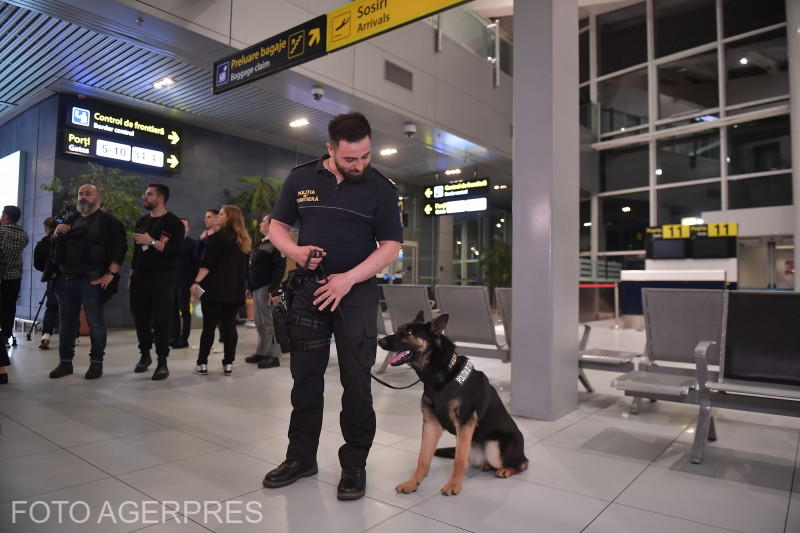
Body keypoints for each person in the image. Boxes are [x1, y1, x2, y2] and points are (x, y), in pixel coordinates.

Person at [262, 112, 402, 501]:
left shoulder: (381, 188)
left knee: (357, 383)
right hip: (309, 291)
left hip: (356, 295)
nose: (359, 165)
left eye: (366, 156)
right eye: (350, 159)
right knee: (305, 379)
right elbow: (276, 226)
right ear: (330, 149)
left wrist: (348, 279)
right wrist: (295, 252)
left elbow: (390, 246)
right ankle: (300, 458)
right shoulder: (301, 178)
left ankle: (354, 464)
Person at [48, 184, 127, 380]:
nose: (83, 197)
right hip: (66, 278)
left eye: (88, 193)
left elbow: (120, 249)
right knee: (66, 323)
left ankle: (96, 364)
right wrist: (56, 233)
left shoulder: (110, 222)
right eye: (80, 194)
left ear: (98, 198)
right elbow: (55, 246)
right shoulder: (69, 219)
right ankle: (65, 363)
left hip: (92, 279)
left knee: (95, 322)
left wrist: (110, 273)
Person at [130, 184, 185, 380]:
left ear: (160, 198)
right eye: (145, 194)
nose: (145, 197)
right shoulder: (142, 221)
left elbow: (175, 252)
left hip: (162, 277)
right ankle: (144, 355)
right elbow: (137, 252)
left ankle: (162, 361)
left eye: (149, 194)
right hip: (140, 277)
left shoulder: (173, 223)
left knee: (161, 320)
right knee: (140, 317)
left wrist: (152, 242)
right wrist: (132, 272)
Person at [190, 205, 250, 376]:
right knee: (230, 327)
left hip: (215, 290)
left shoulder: (217, 238)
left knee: (209, 327)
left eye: (222, 214)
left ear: (229, 218)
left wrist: (196, 282)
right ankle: (228, 364)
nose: (218, 217)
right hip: (235, 291)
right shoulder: (243, 240)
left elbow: (207, 264)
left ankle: (202, 363)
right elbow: (245, 269)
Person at [245, 214, 286, 369]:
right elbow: (253, 266)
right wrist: (249, 286)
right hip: (257, 287)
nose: (260, 224)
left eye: (263, 221)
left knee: (270, 322)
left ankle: (274, 355)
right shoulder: (262, 243)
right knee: (260, 322)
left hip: (268, 287)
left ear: (271, 225)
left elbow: (279, 268)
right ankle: (262, 352)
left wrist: (274, 289)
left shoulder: (277, 243)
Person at [0, 205, 29, 384]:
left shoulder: (1, 231)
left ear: (5, 217)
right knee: (10, 307)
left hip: (1, 275)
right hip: (15, 276)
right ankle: (6, 337)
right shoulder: (23, 235)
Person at [170, 217, 197, 349]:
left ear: (188, 228)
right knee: (173, 310)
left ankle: (184, 338)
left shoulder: (192, 243)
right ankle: (174, 336)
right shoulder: (172, 242)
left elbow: (195, 264)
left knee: (184, 310)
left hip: (185, 282)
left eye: (184, 225)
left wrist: (193, 282)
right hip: (172, 281)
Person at [32, 217, 58, 349]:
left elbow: (37, 264)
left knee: (51, 307)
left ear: (46, 228)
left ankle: (46, 335)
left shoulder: (42, 244)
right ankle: (74, 337)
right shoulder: (65, 240)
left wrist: (47, 271)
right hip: (68, 277)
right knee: (70, 307)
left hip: (52, 278)